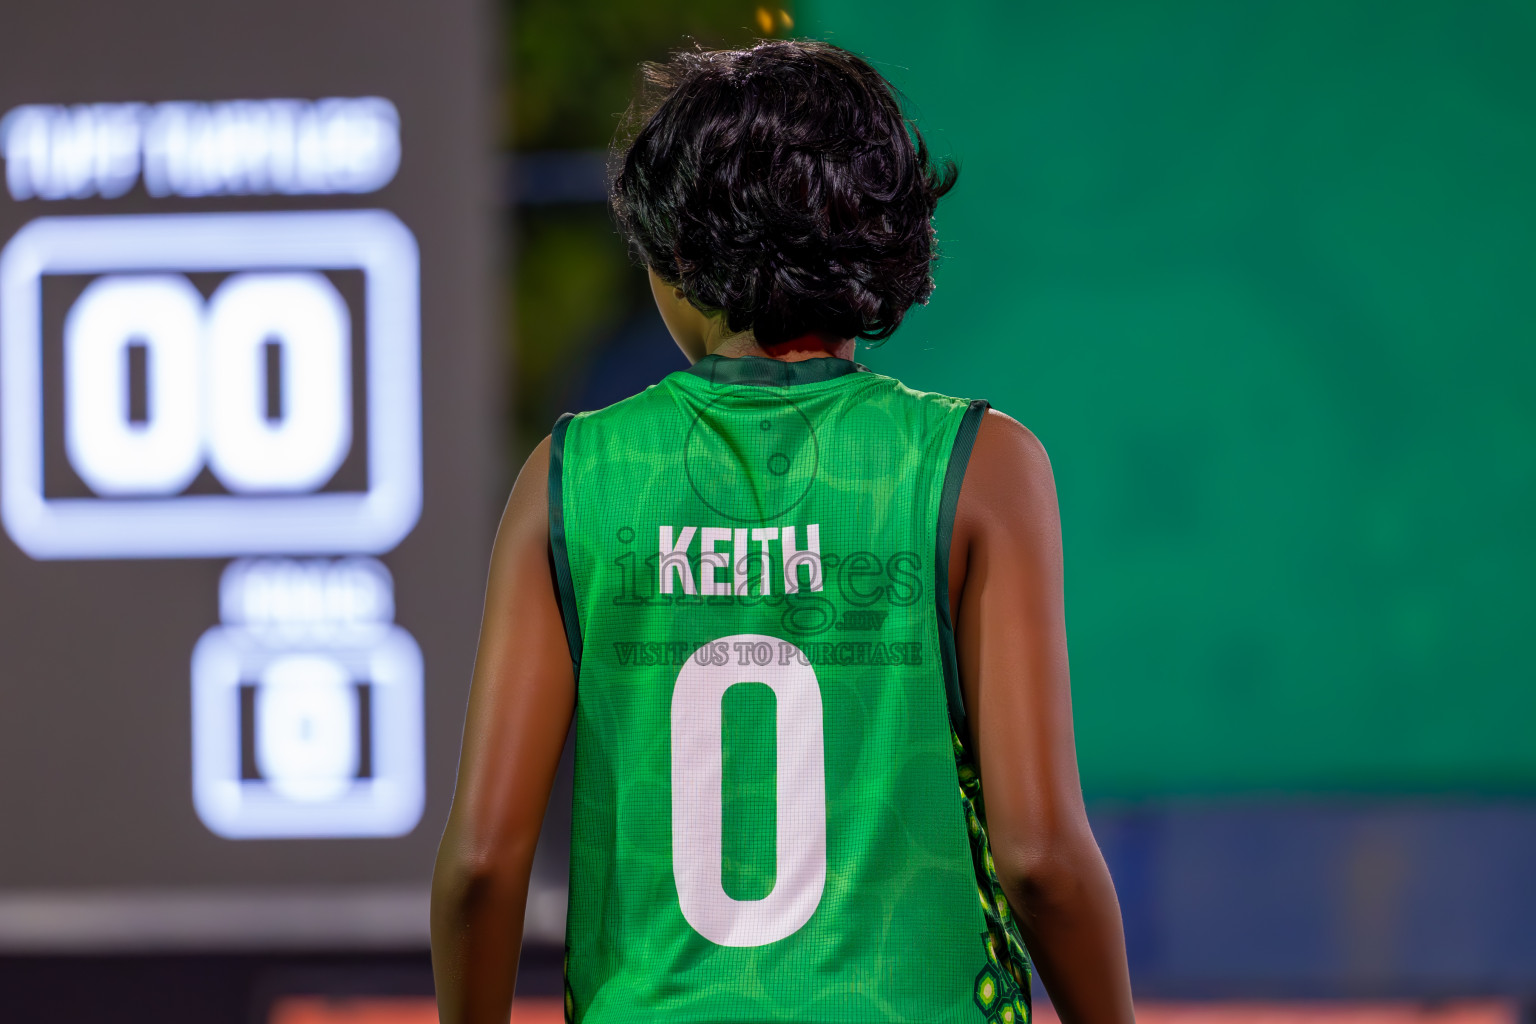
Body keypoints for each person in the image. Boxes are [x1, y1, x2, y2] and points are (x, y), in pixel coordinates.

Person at [431, 39, 1135, 1024]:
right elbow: (1043, 858)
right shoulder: (982, 467)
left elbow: (480, 865)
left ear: (678, 253)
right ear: (888, 242)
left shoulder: (571, 476)